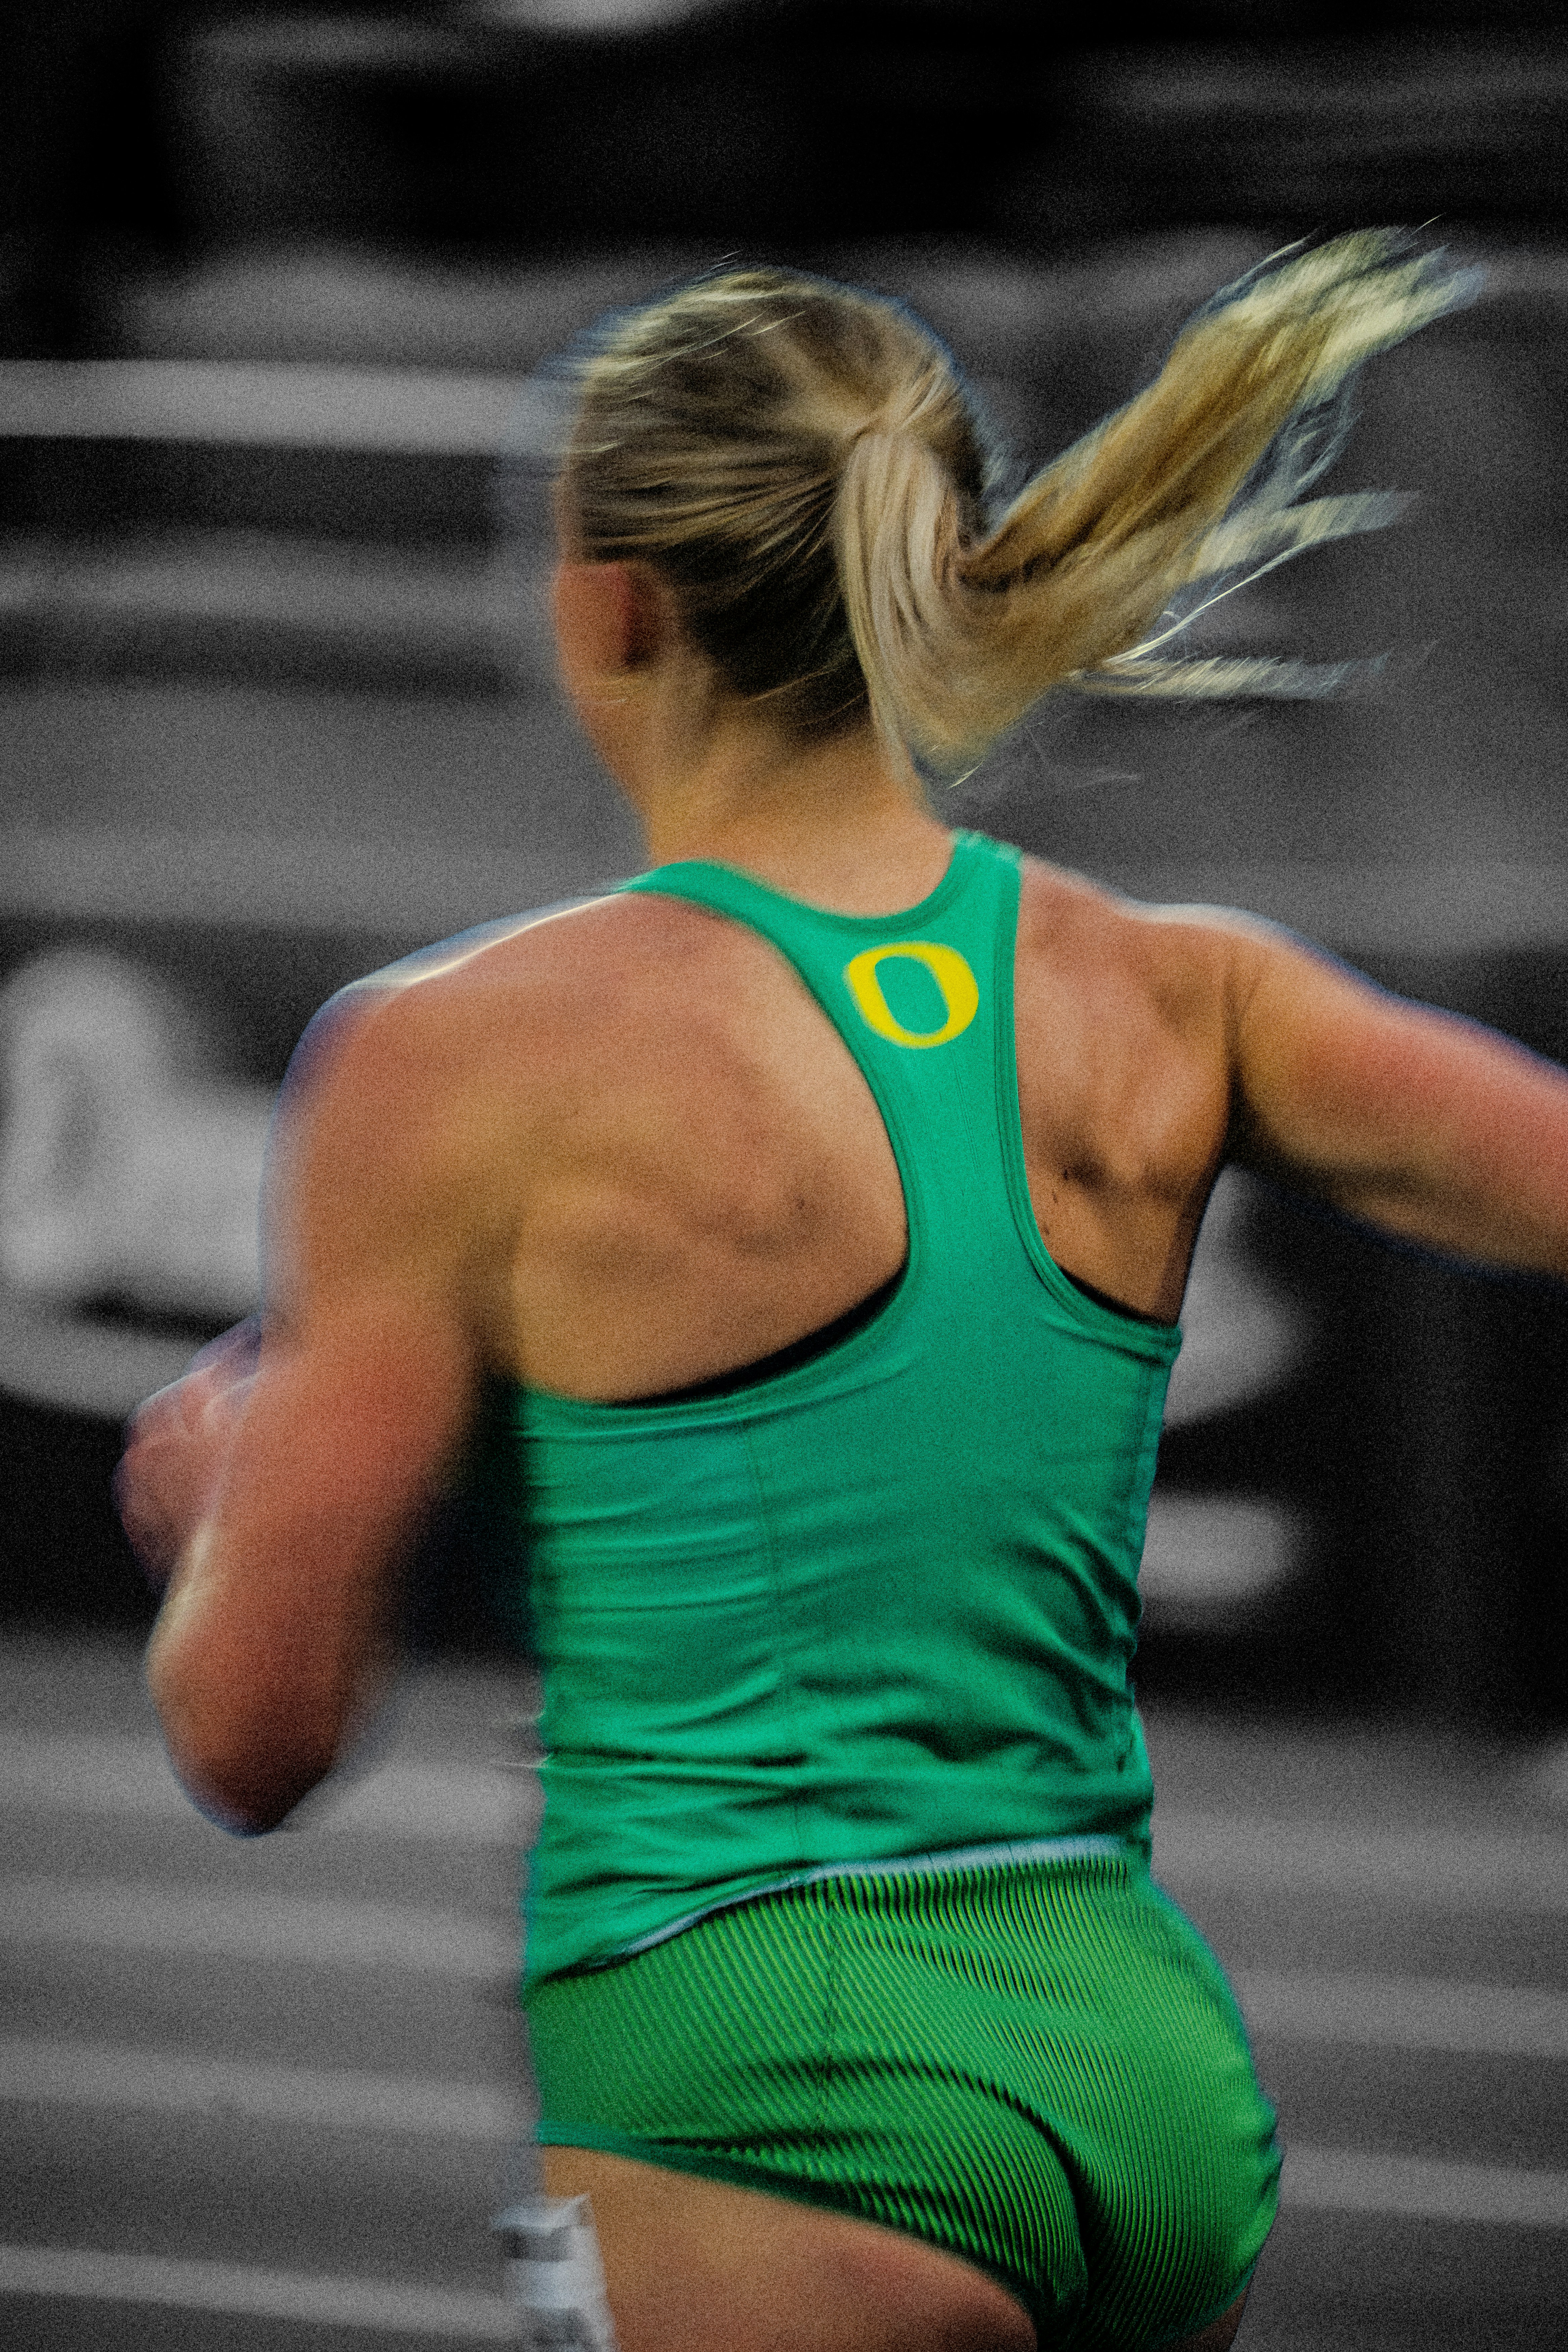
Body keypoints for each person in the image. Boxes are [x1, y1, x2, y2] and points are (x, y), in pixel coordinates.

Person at [116, 233, 1568, 2352]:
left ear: (605, 601)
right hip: (1142, 2077)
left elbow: (259, 1738)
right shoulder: (1185, 988)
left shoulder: (449, 1057)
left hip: (771, 2080)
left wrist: (218, 1509)